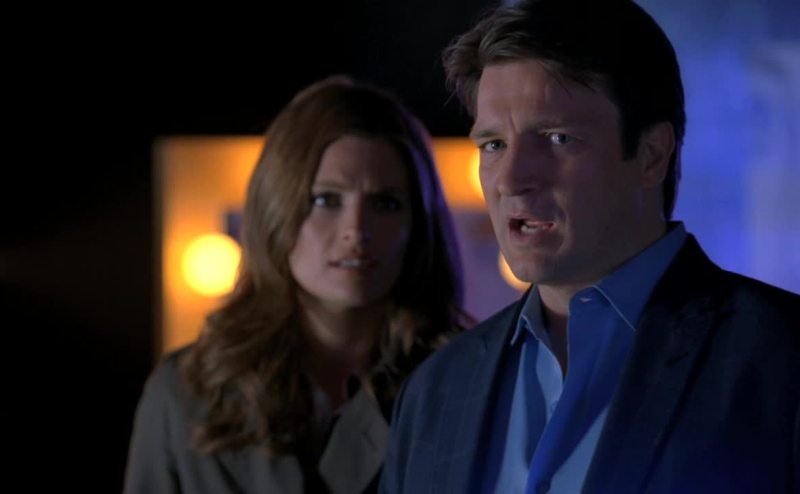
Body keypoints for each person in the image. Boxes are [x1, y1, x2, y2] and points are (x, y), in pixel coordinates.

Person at [380, 1, 800, 493]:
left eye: (558, 138)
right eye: (493, 145)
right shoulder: (434, 393)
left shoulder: (779, 360)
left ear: (652, 155)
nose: (511, 179)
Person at [124, 76, 469, 493]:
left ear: (418, 223)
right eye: (326, 200)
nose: (356, 230)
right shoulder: (185, 392)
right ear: (277, 207)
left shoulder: (462, 386)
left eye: (385, 203)